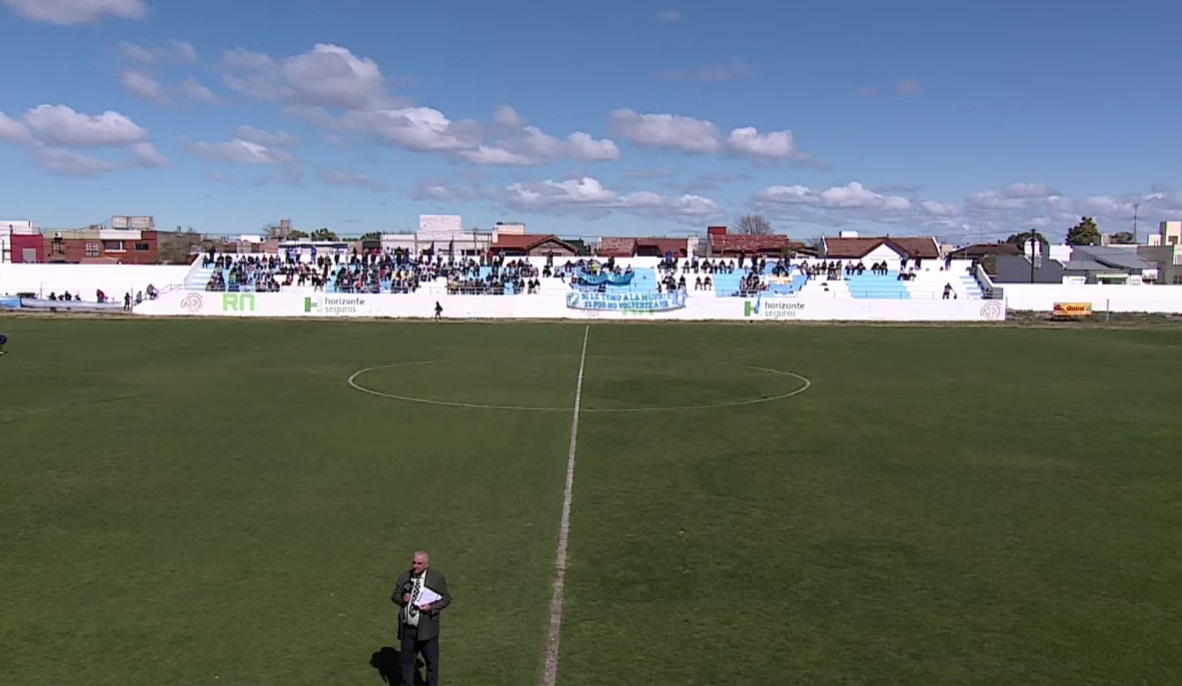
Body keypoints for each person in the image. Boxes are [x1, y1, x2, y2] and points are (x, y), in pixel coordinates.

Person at [392, 550, 451, 686]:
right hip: (408, 629)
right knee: (406, 664)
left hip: (427, 630)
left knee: (431, 663)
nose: (415, 566)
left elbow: (446, 598)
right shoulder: (405, 576)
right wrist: (402, 598)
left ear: (426, 564)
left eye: (419, 563)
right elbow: (395, 595)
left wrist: (431, 608)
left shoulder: (436, 578)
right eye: (414, 562)